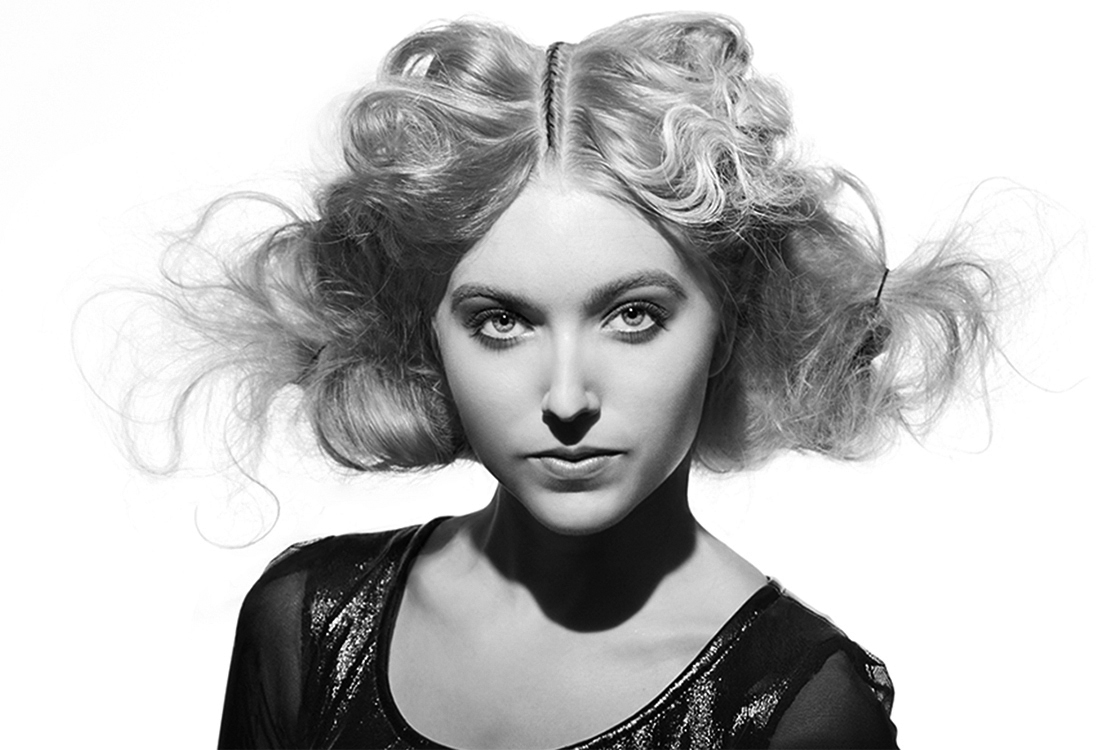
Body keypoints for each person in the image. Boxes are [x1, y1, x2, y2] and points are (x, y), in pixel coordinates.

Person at [149, 12, 996, 748]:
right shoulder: (308, 625)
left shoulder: (799, 712)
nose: (565, 400)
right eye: (501, 322)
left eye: (633, 316)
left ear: (728, 324)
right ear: (427, 333)